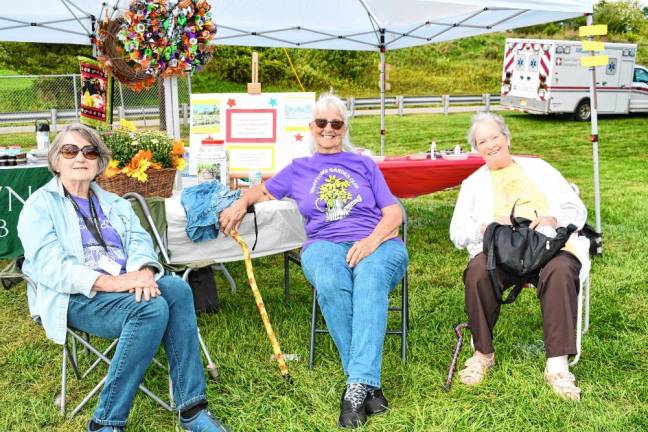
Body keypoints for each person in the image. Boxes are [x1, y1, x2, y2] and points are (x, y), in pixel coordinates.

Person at [17, 123, 228, 432]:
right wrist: (118, 283)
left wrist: (142, 271)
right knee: (151, 308)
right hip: (75, 296)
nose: (80, 157)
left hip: (126, 287)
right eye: (70, 150)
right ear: (56, 160)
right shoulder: (39, 207)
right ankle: (106, 421)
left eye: (89, 151)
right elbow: (52, 269)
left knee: (178, 290)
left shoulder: (114, 202)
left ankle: (192, 407)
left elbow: (141, 241)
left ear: (99, 161)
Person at [219, 94, 408, 428]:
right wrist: (239, 203)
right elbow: (261, 192)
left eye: (336, 123)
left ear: (344, 127)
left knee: (369, 278)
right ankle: (368, 385)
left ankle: (355, 388)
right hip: (324, 244)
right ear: (311, 127)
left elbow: (394, 212)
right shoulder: (298, 169)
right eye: (322, 122)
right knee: (332, 283)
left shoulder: (363, 163)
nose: (328, 129)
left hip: (377, 241)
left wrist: (370, 241)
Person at [449, 112, 588, 401]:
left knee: (561, 271)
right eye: (481, 141)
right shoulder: (472, 184)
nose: (489, 144)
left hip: (548, 247)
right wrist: (484, 227)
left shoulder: (539, 168)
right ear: (476, 148)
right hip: (501, 252)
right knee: (477, 271)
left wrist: (552, 218)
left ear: (507, 138)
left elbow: (575, 208)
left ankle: (558, 367)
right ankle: (483, 353)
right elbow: (457, 232)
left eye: (494, 137)